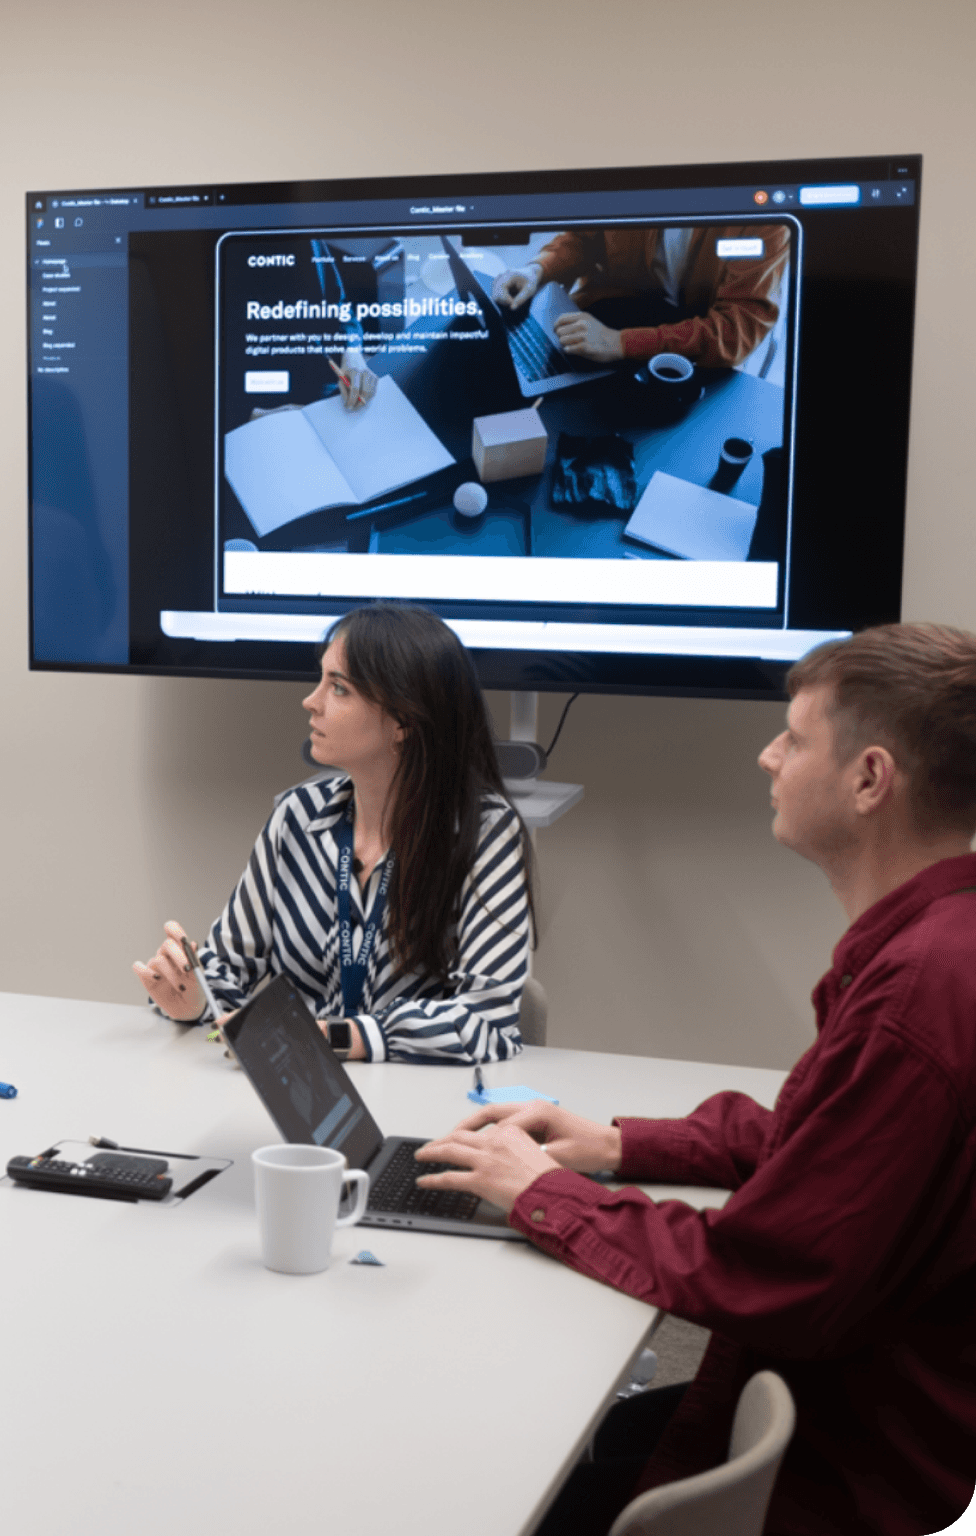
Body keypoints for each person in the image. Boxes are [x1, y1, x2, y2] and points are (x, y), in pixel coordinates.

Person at [416, 622, 976, 1536]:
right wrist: (618, 1142)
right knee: (591, 1426)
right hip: (848, 1408)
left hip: (833, 1465)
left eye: (793, 737)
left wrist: (549, 1194)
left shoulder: (915, 998)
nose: (767, 755)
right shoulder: (940, 943)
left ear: (871, 779)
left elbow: (764, 1271)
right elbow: (828, 1142)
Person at [132, 604, 533, 1065]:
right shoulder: (296, 817)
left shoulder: (485, 832)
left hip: (423, 1106)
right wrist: (193, 999)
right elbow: (227, 969)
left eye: (338, 688)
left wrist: (332, 1038)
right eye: (321, 680)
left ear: (403, 720)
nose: (311, 701)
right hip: (303, 1094)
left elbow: (486, 1023)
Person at [490, 224, 792, 369]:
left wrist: (621, 343)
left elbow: (735, 329)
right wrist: (537, 271)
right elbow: (584, 238)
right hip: (604, 315)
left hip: (692, 353)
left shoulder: (765, 221)